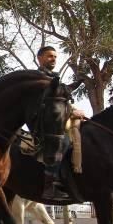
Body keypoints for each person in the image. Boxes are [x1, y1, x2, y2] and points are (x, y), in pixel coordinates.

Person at [35, 45, 85, 199]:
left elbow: (61, 103)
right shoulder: (39, 78)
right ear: (40, 58)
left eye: (55, 57)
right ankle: (49, 185)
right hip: (44, 123)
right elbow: (49, 105)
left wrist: (74, 111)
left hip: (58, 120)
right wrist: (71, 112)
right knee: (62, 142)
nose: (53, 59)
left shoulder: (53, 77)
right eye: (50, 56)